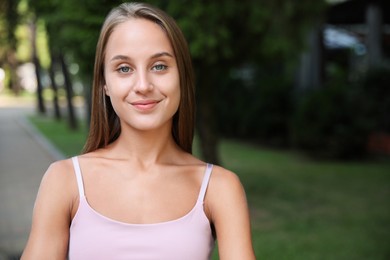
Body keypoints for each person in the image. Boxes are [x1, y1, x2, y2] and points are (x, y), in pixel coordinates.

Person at [21, 2, 255, 259]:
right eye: (124, 69)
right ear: (104, 85)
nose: (143, 85)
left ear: (182, 77)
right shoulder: (64, 180)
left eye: (159, 66)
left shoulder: (220, 188)